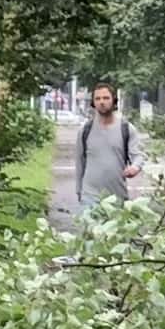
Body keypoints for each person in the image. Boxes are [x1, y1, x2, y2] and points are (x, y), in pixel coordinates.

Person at [50, 82, 139, 232]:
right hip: (90, 197)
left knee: (115, 246)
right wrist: (79, 191)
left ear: (114, 100)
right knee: (90, 244)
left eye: (106, 98)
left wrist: (135, 167)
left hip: (117, 197)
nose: (102, 102)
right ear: (93, 103)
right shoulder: (85, 130)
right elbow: (80, 162)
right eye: (97, 99)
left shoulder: (126, 129)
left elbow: (138, 155)